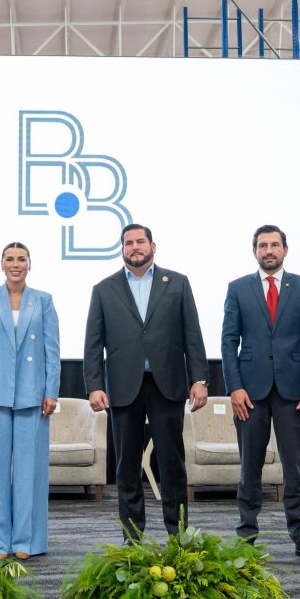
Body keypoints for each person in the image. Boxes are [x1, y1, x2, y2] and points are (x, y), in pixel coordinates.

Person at [83, 224, 209, 541]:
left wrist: (199, 379)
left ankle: (178, 534)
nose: (135, 247)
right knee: (127, 466)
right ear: (122, 249)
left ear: (153, 246)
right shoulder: (104, 289)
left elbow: (192, 335)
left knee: (172, 463)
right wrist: (94, 385)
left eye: (140, 241)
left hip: (167, 383)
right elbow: (93, 343)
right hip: (124, 387)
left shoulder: (178, 283)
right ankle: (132, 537)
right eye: (129, 243)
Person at [221, 224, 300, 565]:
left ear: (285, 249)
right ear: (255, 251)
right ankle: (246, 539)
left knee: (295, 469)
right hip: (249, 392)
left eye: (275, 245)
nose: (269, 250)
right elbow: (228, 341)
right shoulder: (238, 288)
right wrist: (234, 387)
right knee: (249, 469)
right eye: (263, 245)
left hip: (293, 392)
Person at [0, 242, 60, 560]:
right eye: (10, 259)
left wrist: (51, 391)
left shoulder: (43, 300)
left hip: (33, 393)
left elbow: (52, 350)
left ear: (30, 264)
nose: (15, 264)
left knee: (29, 471)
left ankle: (26, 541)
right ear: (2, 263)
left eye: (21, 259)